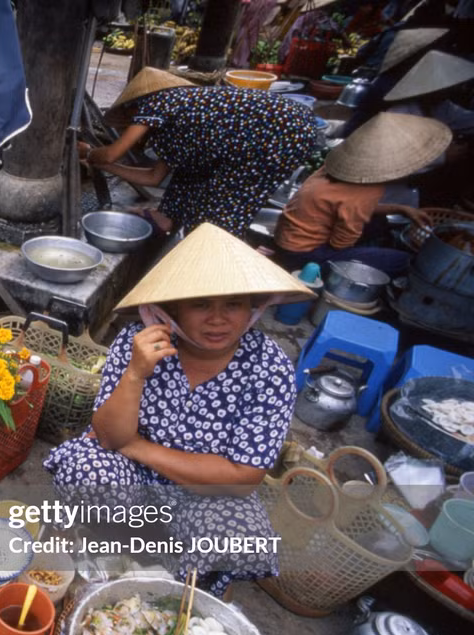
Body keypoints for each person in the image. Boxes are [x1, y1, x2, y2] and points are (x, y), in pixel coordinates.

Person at [44, 223, 314, 597]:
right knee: (84, 468)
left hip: (205, 495)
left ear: (253, 308)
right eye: (201, 304)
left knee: (238, 533)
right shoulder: (138, 342)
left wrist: (137, 446)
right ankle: (113, 549)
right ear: (171, 310)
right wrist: (136, 373)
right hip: (131, 479)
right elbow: (107, 437)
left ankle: (185, 587)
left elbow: (242, 477)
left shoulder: (270, 370)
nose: (218, 319)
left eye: (233, 304)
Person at [82, 68, 318, 238]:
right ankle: (166, 219)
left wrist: (89, 153)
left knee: (219, 212)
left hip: (282, 133)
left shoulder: (157, 101)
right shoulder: (182, 122)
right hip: (286, 130)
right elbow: (152, 177)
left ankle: (209, 256)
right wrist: (105, 166)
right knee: (191, 172)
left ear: (133, 106)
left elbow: (112, 153)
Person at [275, 113, 451, 275]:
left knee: (377, 222)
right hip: (303, 256)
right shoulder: (367, 189)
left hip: (288, 241)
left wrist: (401, 209)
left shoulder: (333, 167)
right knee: (401, 260)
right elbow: (340, 243)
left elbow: (342, 205)